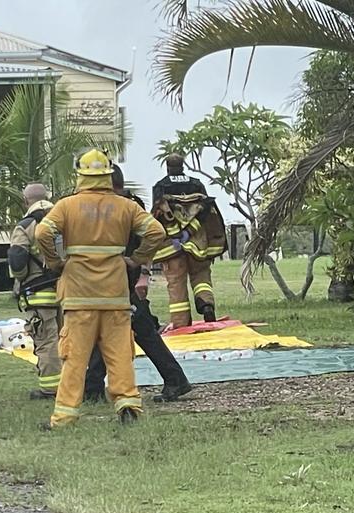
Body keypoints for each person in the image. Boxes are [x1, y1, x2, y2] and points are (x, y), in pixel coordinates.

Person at [34, 149, 167, 428]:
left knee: (74, 358)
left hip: (79, 296)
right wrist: (138, 259)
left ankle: (65, 416)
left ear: (80, 175)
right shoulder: (125, 206)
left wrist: (55, 262)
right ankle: (128, 405)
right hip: (115, 295)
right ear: (108, 175)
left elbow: (42, 232)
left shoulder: (67, 205)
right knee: (119, 354)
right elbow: (157, 232)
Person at [85, 165, 192, 404]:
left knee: (118, 329)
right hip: (119, 278)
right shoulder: (130, 205)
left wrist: (136, 261)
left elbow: (154, 233)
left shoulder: (119, 207)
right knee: (127, 329)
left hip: (116, 279)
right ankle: (92, 386)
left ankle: (93, 388)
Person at [150, 153, 226, 328]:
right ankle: (206, 304)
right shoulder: (196, 184)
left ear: (167, 167)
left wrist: (175, 234)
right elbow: (206, 211)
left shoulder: (161, 186)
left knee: (176, 283)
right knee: (201, 275)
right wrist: (190, 231)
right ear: (183, 166)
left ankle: (181, 324)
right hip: (198, 242)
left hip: (172, 245)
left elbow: (157, 215)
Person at [8, 183, 61, 400]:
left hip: (39, 292)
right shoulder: (61, 219)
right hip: (68, 289)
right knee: (67, 337)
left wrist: (20, 279)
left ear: (25, 201)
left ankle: (51, 388)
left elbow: (17, 258)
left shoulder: (26, 225)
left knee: (46, 339)